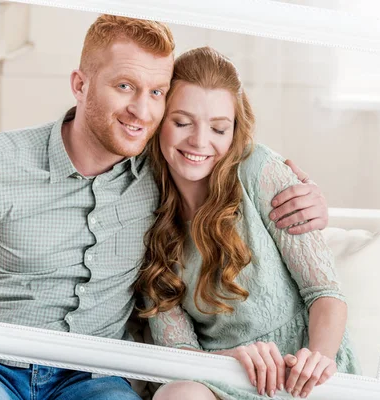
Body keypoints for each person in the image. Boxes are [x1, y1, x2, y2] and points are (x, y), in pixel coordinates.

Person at [0, 16, 329, 400]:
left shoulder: (162, 174)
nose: (142, 110)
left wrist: (301, 197)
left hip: (90, 378)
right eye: (125, 86)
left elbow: (218, 155)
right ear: (80, 84)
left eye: (157, 92)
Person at [135, 47, 360, 400]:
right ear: (158, 122)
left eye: (219, 128)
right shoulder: (144, 212)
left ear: (235, 131)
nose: (199, 141)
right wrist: (232, 361)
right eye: (182, 122)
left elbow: (325, 292)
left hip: (303, 370)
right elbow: (176, 346)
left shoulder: (259, 170)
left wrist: (318, 358)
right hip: (222, 374)